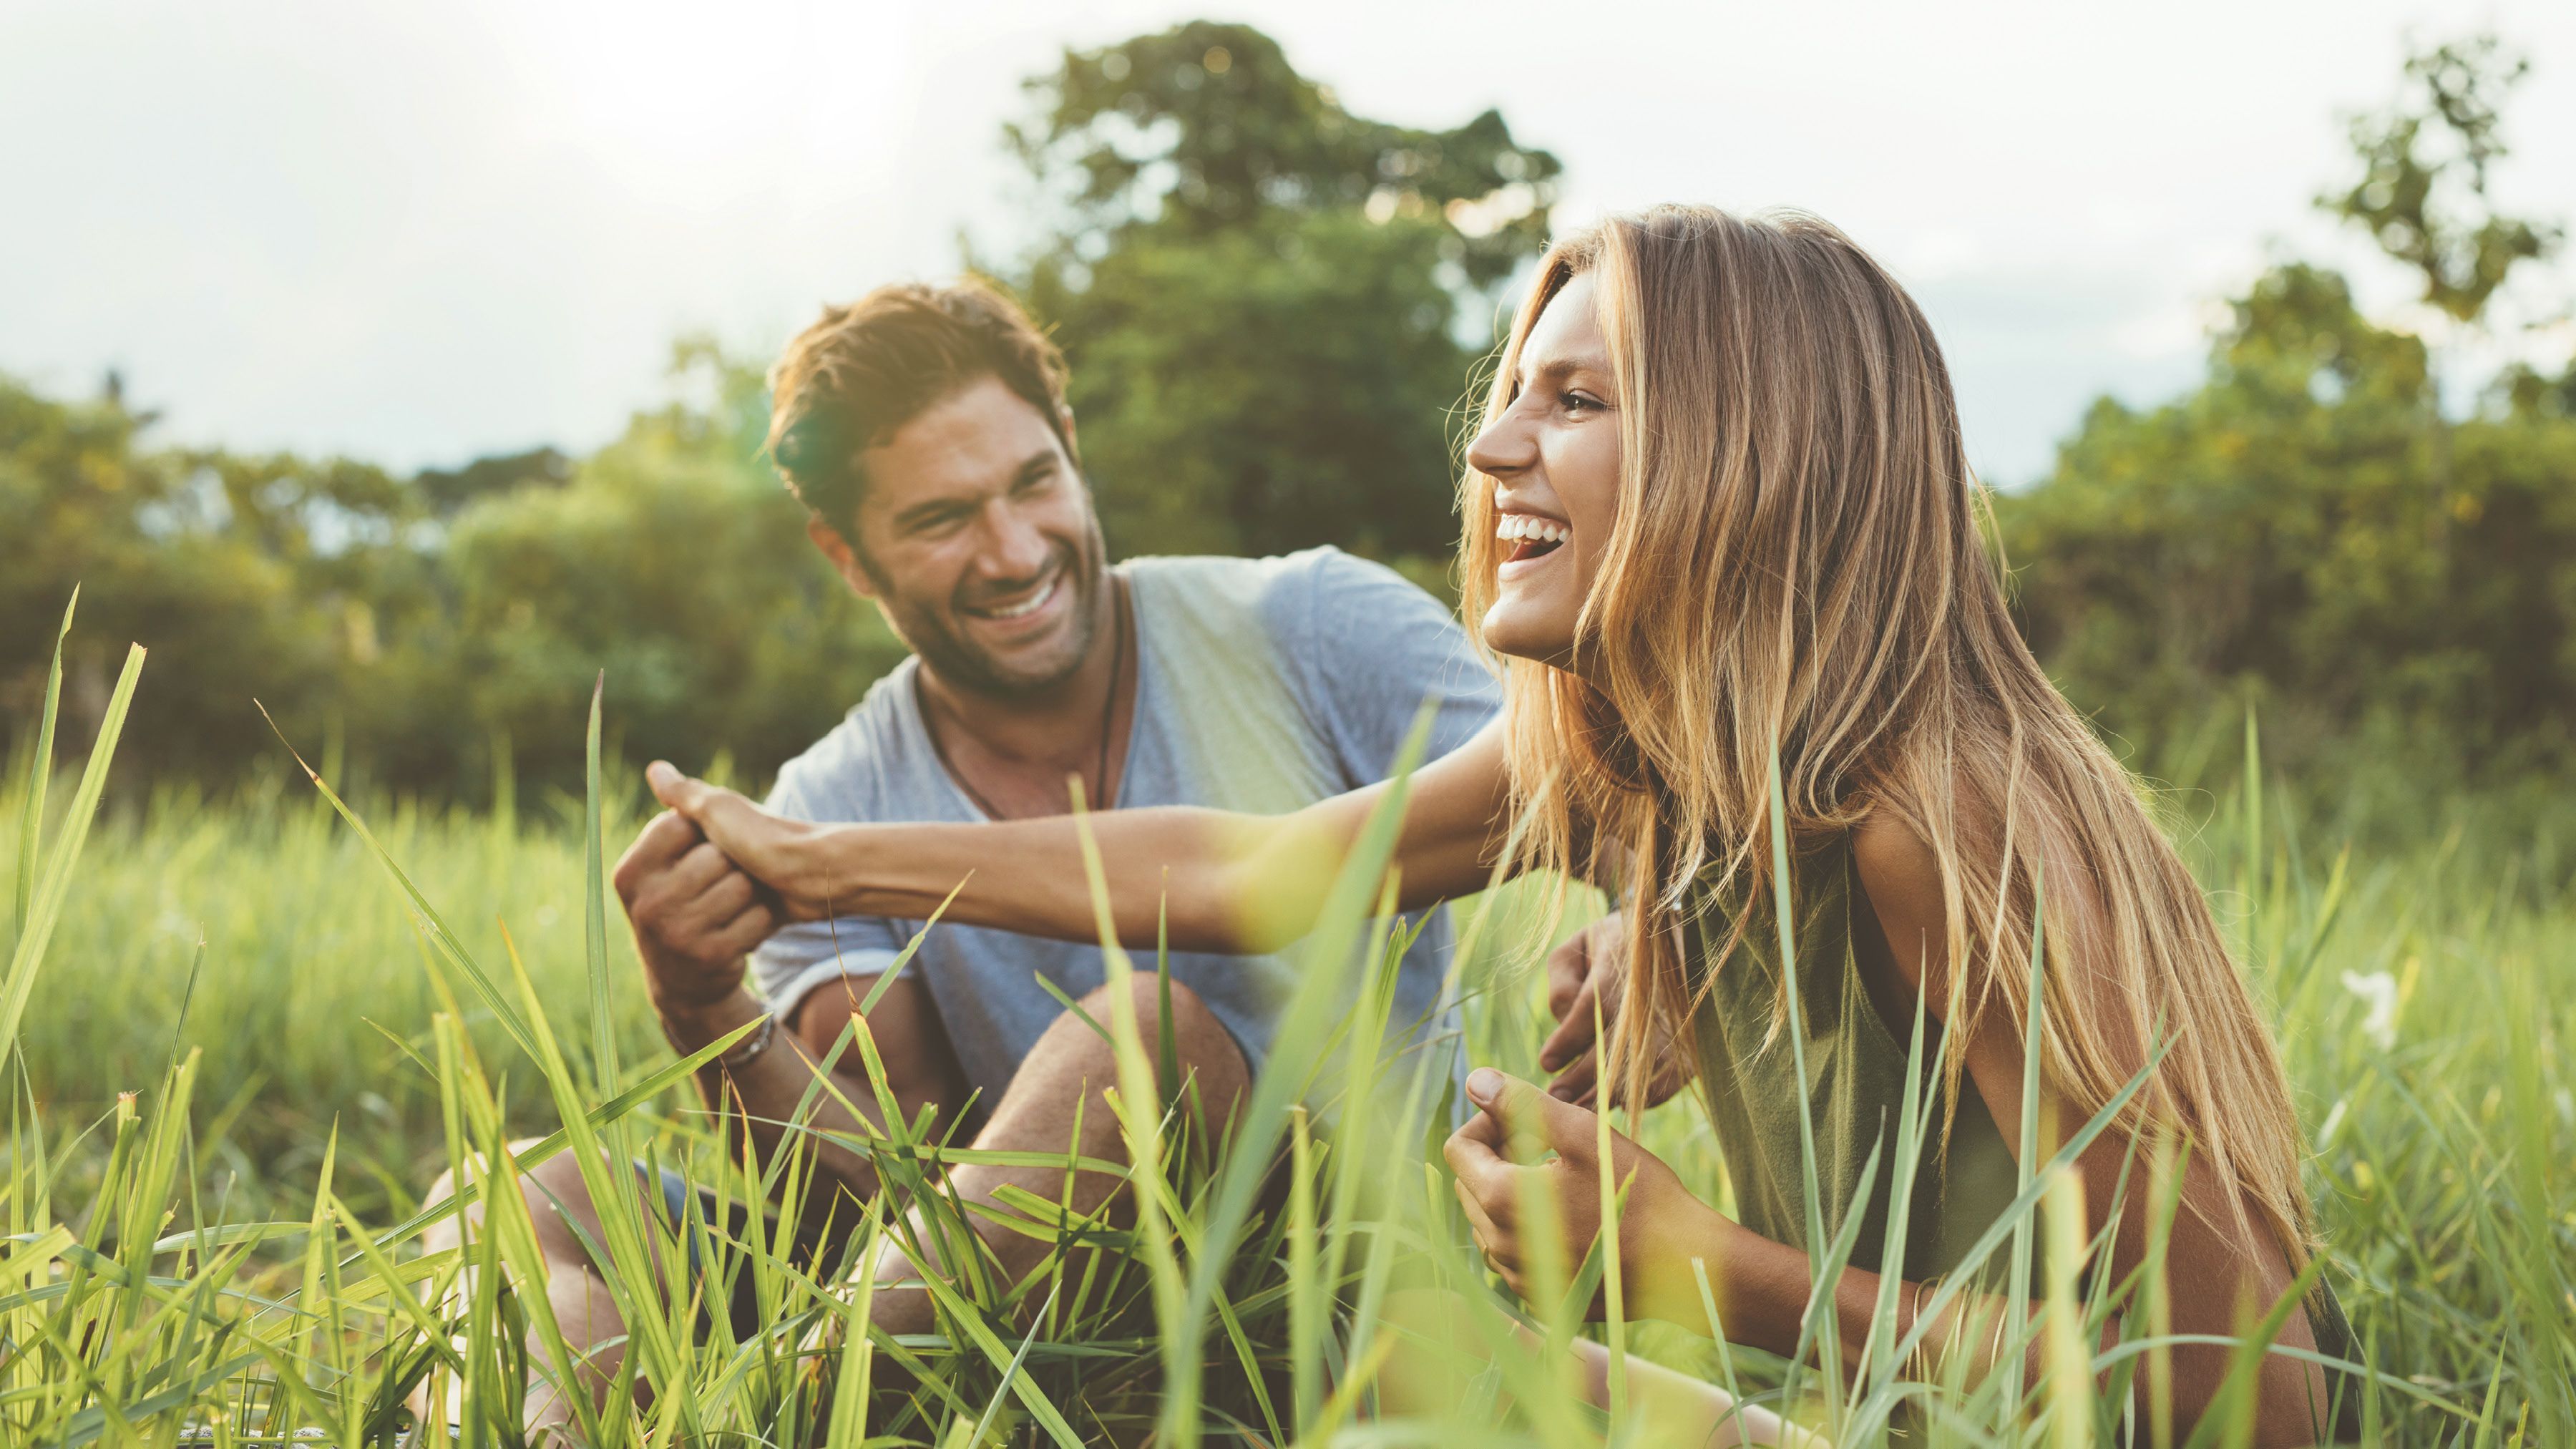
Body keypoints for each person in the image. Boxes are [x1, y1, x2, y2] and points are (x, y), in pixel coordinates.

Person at [651, 208, 2366, 1445]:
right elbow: (1253, 874)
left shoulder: (1944, 817)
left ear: (1751, 452)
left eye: (1575, 403)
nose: (1491, 448)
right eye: (1515, 394)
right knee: (1384, 1358)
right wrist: (817, 865)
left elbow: (2260, 1396)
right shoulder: (1648, 766)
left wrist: (1705, 1265)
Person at [421, 278, 1497, 1433]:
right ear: (847, 554)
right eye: (941, 520)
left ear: (1071, 444)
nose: (1013, 551)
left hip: (1324, 1296)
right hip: (1006, 1324)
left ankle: (758, 1422)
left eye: (1033, 482)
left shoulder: (1315, 625)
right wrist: (701, 1007)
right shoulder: (830, 794)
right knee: (515, 1192)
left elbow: (1594, 785)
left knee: (1143, 1040)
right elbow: (883, 1191)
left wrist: (1622, 918)